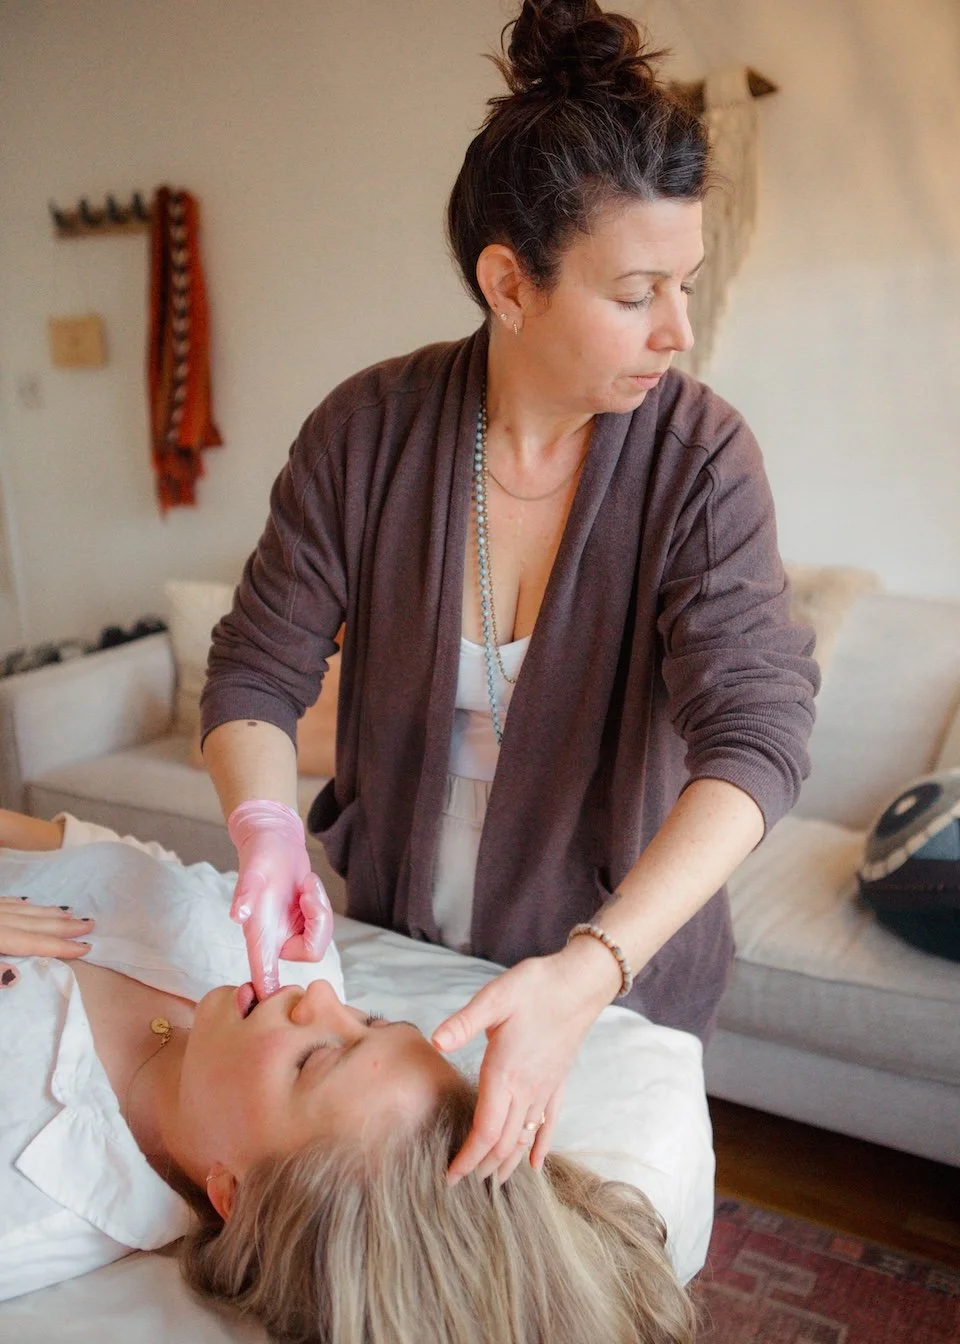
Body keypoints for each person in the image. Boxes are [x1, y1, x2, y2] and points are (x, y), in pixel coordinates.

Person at [200, 0, 820, 1187]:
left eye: (686, 284)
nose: (679, 330)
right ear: (510, 283)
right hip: (395, 952)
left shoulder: (700, 460)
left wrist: (588, 972)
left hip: (618, 980)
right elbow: (254, 675)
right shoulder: (367, 432)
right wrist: (266, 826)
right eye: (638, 292)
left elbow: (759, 740)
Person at [0, 805, 698, 1342]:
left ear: (234, 1197)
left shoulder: (28, 1193)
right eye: (370, 1020)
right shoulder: (296, 956)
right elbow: (90, 853)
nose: (322, 999)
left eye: (315, 1059)